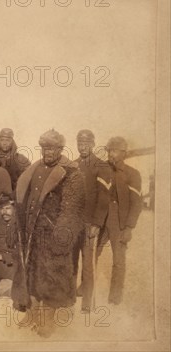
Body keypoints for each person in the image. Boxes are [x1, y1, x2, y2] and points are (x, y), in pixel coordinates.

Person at [13, 129, 84, 337]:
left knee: (53, 274)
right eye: (44, 148)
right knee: (31, 272)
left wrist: (61, 237)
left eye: (52, 148)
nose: (48, 152)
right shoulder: (34, 169)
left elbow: (72, 210)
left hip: (54, 233)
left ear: (61, 149)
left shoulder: (71, 173)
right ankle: (33, 312)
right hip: (31, 232)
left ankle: (48, 318)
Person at [92, 136, 142, 305]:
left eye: (114, 151)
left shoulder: (132, 174)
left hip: (119, 221)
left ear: (123, 153)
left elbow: (136, 204)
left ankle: (115, 297)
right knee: (92, 253)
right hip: (101, 218)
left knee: (118, 260)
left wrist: (129, 227)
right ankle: (87, 288)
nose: (110, 154)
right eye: (109, 151)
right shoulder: (103, 170)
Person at [73, 129, 105, 312]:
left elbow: (103, 198)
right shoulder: (73, 165)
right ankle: (71, 296)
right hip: (75, 223)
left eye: (86, 143)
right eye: (79, 143)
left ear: (93, 144)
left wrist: (96, 224)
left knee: (87, 263)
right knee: (72, 260)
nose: (82, 147)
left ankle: (87, 304)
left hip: (90, 223)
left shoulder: (100, 166)